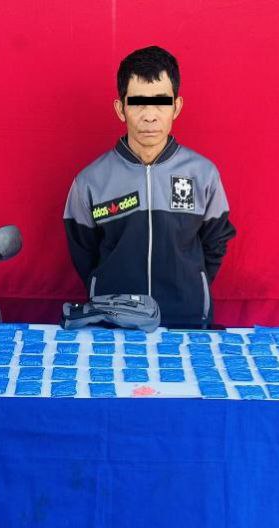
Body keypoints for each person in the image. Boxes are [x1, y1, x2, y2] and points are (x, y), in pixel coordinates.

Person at [63, 46, 236, 328]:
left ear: (176, 107)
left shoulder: (204, 174)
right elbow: (84, 254)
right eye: (138, 103)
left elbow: (215, 244)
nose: (150, 116)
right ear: (120, 109)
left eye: (160, 103)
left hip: (187, 321)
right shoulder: (90, 181)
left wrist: (192, 286)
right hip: (114, 326)